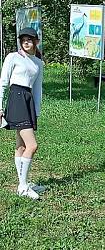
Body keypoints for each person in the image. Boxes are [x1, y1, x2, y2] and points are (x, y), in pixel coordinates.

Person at [0, 28, 43, 200]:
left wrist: (36, 112)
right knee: (32, 146)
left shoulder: (38, 63)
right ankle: (23, 186)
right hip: (16, 99)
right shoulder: (12, 57)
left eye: (30, 39)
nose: (26, 42)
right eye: (23, 39)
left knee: (21, 146)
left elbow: (38, 89)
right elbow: (3, 82)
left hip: (28, 100)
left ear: (36, 42)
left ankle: (23, 183)